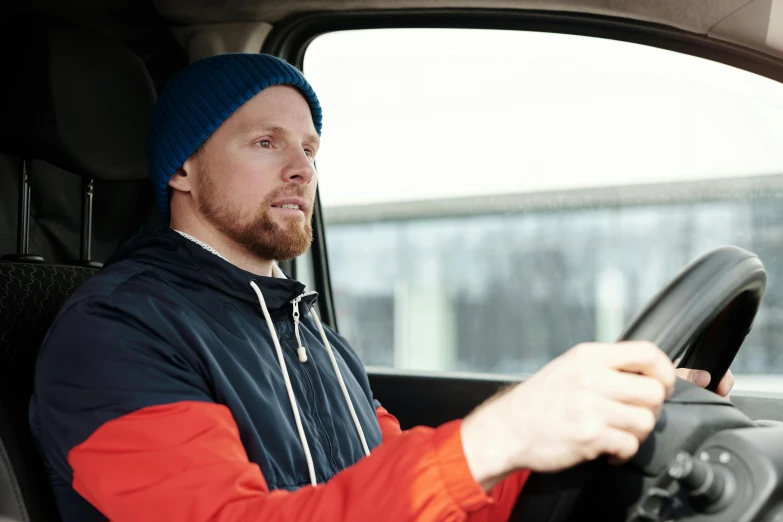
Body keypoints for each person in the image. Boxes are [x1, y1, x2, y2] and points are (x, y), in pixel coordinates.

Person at [29, 53, 734, 522]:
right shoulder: (114, 333)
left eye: (309, 148)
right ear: (181, 169)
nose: (302, 169)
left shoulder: (307, 330)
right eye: (265, 142)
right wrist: (501, 433)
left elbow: (399, 489)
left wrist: (587, 431)